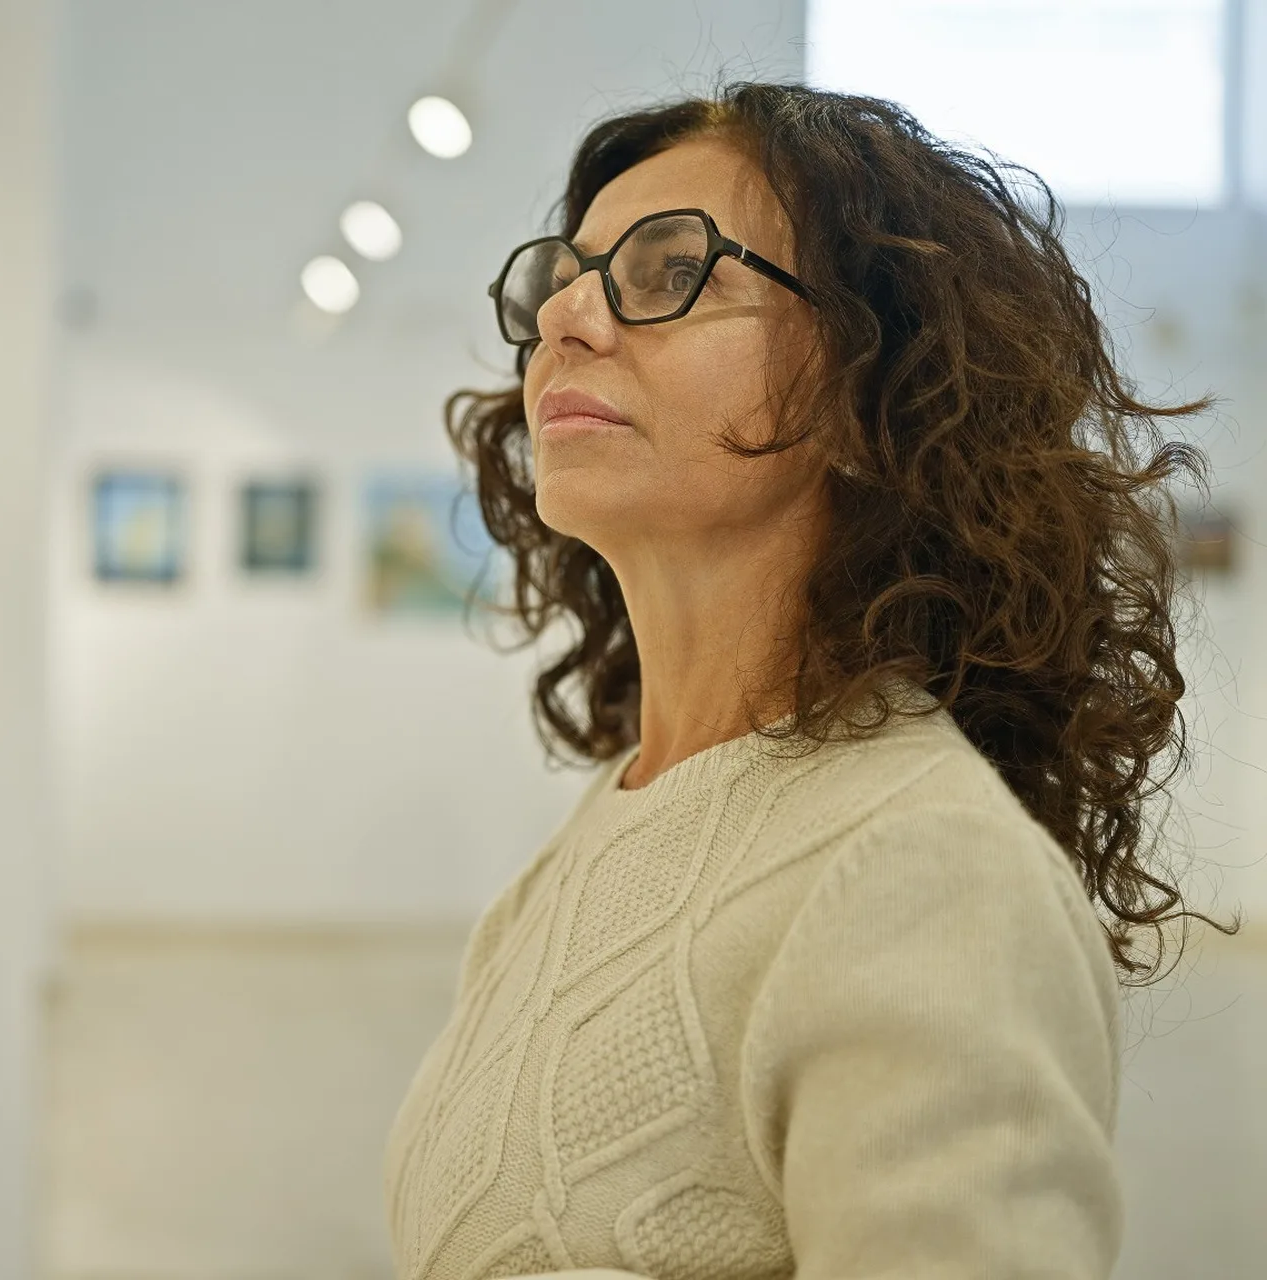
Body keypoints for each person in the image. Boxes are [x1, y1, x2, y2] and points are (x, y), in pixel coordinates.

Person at [382, 81, 1235, 1280]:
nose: (568, 316)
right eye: (565, 276)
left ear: (866, 389)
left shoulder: (929, 871)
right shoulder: (615, 821)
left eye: (669, 269)